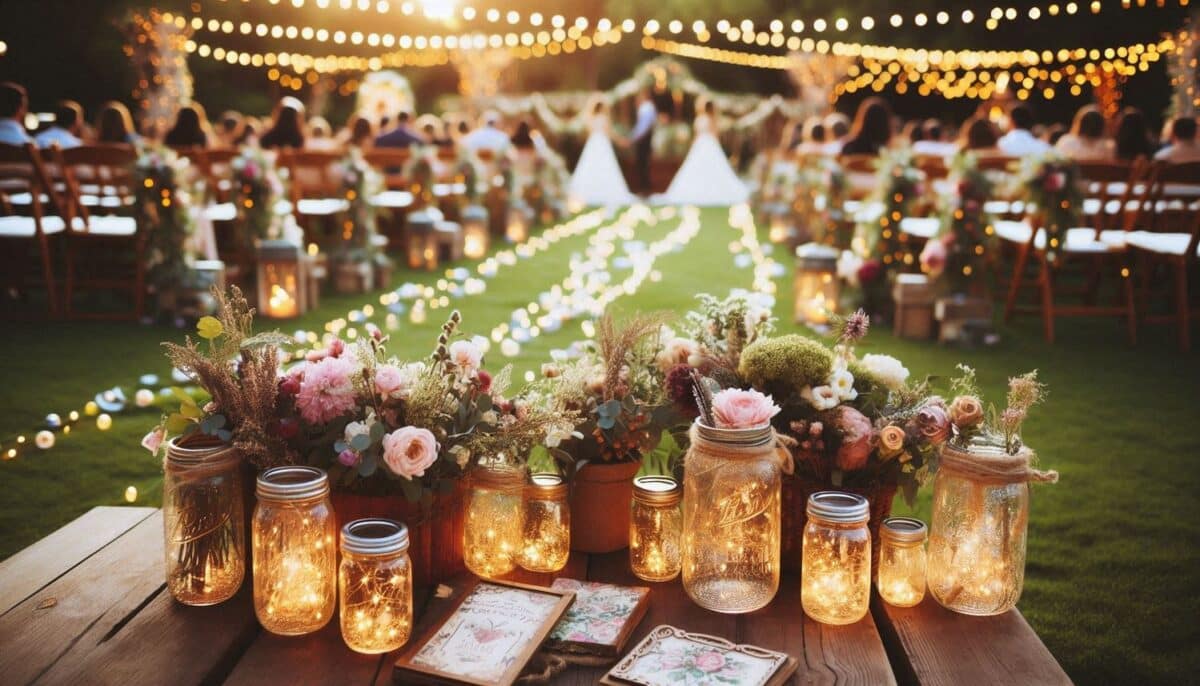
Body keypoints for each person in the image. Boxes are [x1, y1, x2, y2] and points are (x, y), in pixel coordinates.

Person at [661, 98, 748, 206]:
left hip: (701, 144)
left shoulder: (699, 119)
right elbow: (715, 134)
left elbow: (697, 136)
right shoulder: (711, 119)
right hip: (709, 143)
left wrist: (693, 147)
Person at [567, 98, 634, 207]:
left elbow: (590, 133)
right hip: (602, 143)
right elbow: (610, 133)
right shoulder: (603, 118)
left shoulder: (590, 119)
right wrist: (620, 141)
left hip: (593, 143)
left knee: (591, 167)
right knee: (605, 167)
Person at [628, 88, 658, 194]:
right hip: (644, 139)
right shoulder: (647, 107)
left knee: (642, 163)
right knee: (643, 164)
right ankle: (644, 187)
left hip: (643, 140)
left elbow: (643, 127)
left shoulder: (646, 108)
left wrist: (633, 138)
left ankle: (645, 188)